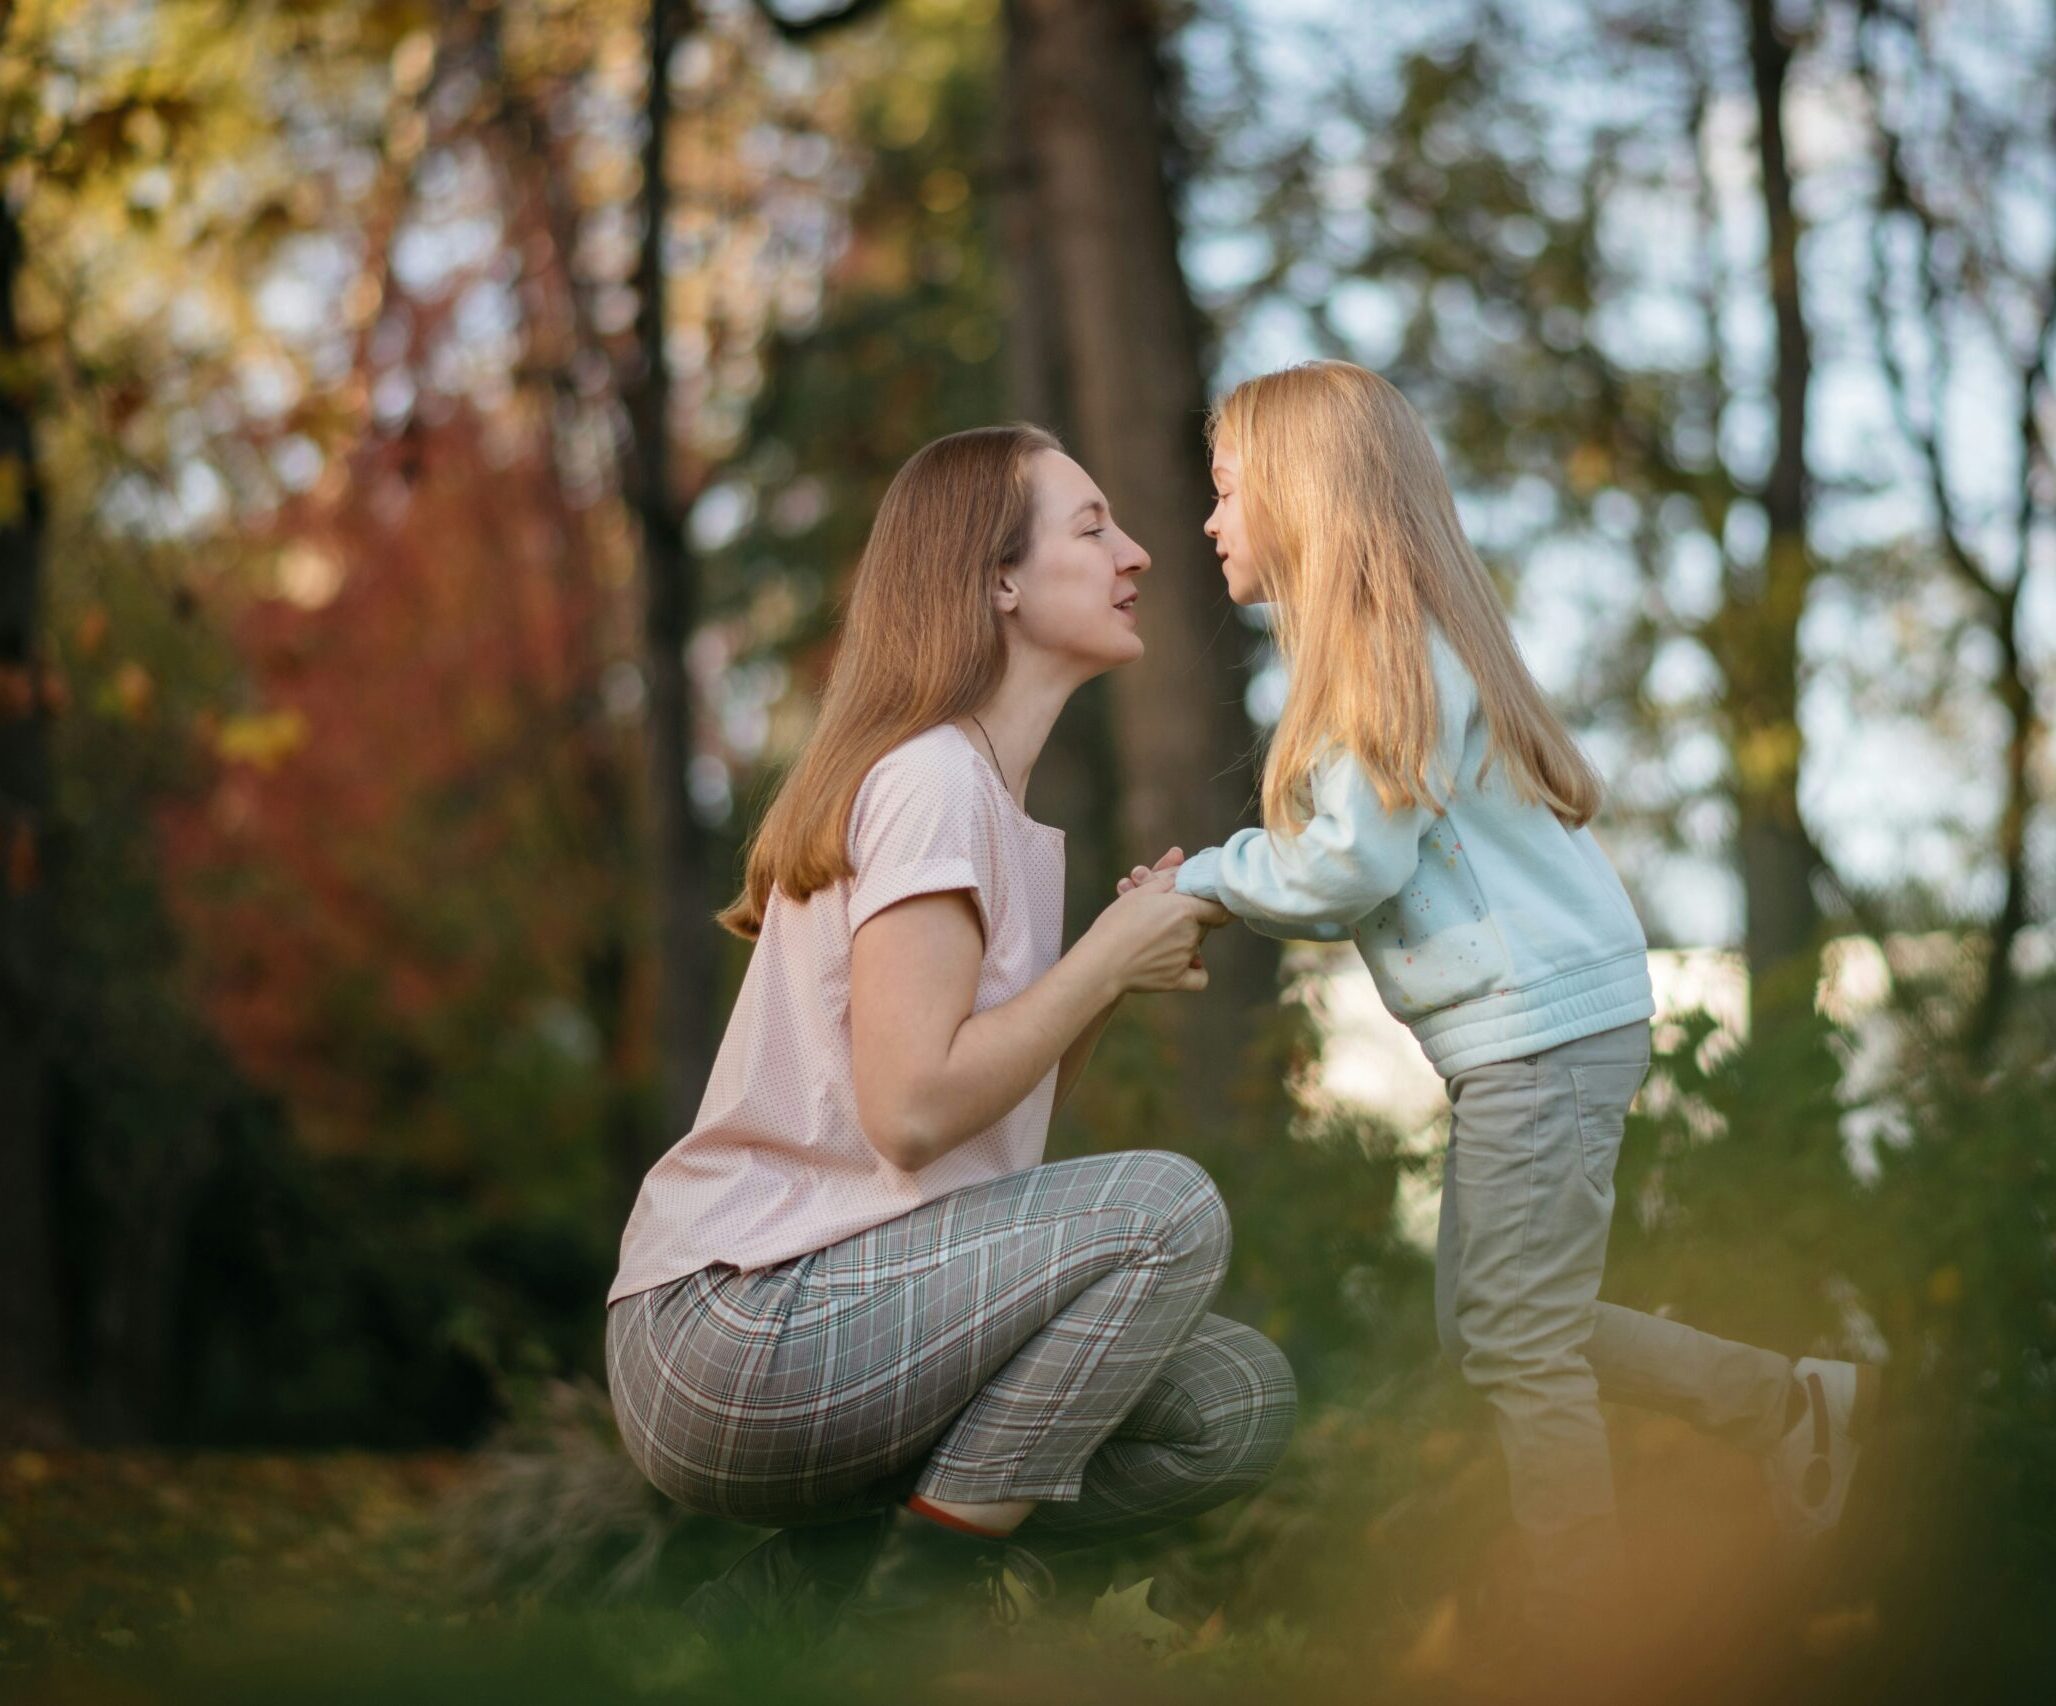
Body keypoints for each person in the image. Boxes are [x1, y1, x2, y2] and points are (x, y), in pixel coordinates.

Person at [1129, 360, 1875, 1634]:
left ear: (1303, 497)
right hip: (1541, 1031)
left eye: (1228, 489)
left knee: (1519, 1344)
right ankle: (1784, 1402)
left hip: (1542, 1033)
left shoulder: (1375, 647)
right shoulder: (1387, 641)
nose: (1208, 522)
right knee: (1496, 1324)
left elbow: (1351, 863)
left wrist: (1199, 880)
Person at [606, 425, 1296, 1644]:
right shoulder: (932, 778)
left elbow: (981, 1140)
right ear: (999, 580)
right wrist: (1097, 959)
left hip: (843, 1299)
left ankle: (785, 1608)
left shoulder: (989, 803)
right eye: (1092, 527)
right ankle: (910, 1617)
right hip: (735, 1322)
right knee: (1168, 1208)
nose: (1136, 551)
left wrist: (1108, 973)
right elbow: (911, 1109)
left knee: (1234, 1399)